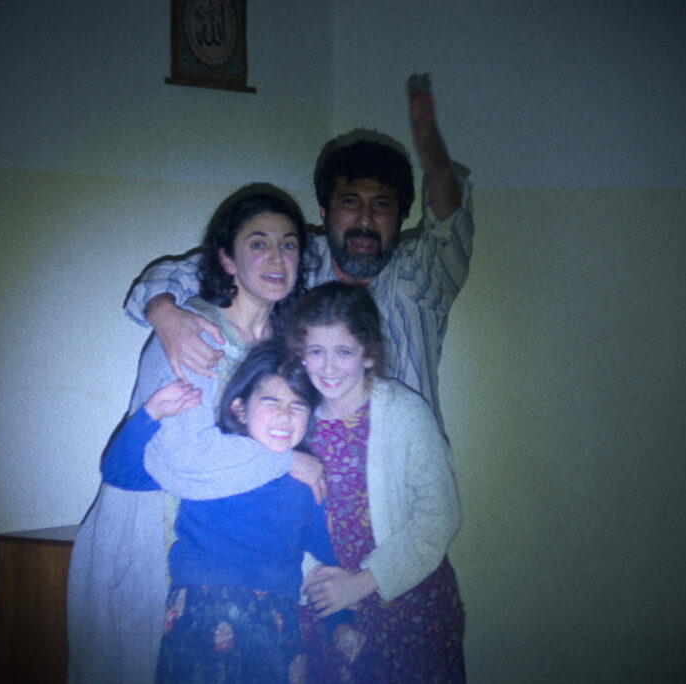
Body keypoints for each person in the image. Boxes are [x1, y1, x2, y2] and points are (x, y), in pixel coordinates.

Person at [66, 187, 321, 683]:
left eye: (289, 245)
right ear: (227, 259)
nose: (277, 257)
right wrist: (288, 461)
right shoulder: (191, 332)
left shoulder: (289, 349)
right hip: (160, 550)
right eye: (259, 243)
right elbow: (180, 462)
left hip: (254, 575)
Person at [125, 77, 474, 428]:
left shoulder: (420, 278)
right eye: (350, 202)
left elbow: (450, 226)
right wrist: (165, 314)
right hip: (302, 456)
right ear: (324, 211)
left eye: (381, 205)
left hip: (401, 459)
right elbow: (192, 271)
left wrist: (435, 163)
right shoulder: (298, 261)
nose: (365, 220)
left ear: (401, 215)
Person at [124, 340, 363, 683]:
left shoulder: (308, 479)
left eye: (297, 405)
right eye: (271, 401)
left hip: (276, 620)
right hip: (201, 608)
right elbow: (121, 472)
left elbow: (324, 560)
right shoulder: (208, 465)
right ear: (239, 410)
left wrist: (340, 624)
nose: (285, 414)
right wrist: (149, 415)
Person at [285, 282, 466, 682]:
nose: (328, 367)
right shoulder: (292, 418)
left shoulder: (404, 412)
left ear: (368, 353)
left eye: (343, 352)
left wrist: (364, 582)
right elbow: (280, 516)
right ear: (301, 354)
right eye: (316, 351)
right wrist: (318, 582)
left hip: (407, 611)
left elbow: (441, 517)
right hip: (326, 609)